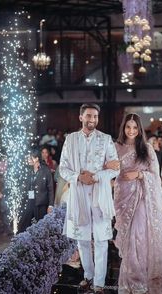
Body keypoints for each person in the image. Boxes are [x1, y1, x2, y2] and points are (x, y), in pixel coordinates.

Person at [59, 103, 119, 294]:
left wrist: (95, 177)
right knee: (83, 240)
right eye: (88, 116)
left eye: (95, 116)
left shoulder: (106, 139)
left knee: (101, 240)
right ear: (81, 117)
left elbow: (115, 167)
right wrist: (78, 177)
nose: (92, 119)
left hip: (100, 194)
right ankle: (88, 276)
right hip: (79, 195)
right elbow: (63, 168)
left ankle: (99, 284)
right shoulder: (71, 140)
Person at [107, 113, 162, 294]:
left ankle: (138, 281)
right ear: (123, 128)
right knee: (127, 243)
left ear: (139, 129)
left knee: (138, 238)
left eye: (135, 127)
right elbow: (108, 170)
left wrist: (139, 175)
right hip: (122, 200)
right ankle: (130, 282)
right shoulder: (115, 147)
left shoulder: (146, 149)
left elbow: (155, 178)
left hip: (141, 199)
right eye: (128, 127)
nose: (131, 131)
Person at [18, 148, 54, 233]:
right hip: (29, 201)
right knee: (23, 225)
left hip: (41, 203)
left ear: (36, 158)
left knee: (41, 227)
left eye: (30, 158)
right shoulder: (27, 170)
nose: (28, 160)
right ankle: (21, 241)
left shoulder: (46, 171)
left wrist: (50, 205)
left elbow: (50, 189)